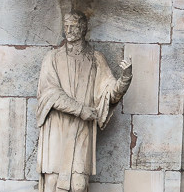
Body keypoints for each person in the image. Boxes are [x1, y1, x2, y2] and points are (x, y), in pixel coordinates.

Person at [37, 11, 132, 192]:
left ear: (83, 29)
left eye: (73, 26)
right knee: (52, 183)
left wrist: (125, 78)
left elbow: (109, 92)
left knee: (79, 185)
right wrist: (80, 109)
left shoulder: (96, 58)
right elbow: (50, 93)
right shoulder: (52, 58)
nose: (69, 30)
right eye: (66, 26)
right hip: (57, 126)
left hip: (82, 129)